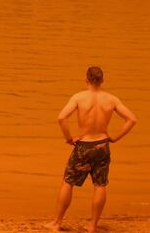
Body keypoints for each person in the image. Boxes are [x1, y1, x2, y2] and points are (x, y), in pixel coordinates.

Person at [44, 66, 137, 232]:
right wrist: (115, 137)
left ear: (86, 79)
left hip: (84, 145)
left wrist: (69, 138)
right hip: (102, 145)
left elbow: (61, 117)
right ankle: (93, 225)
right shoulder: (111, 99)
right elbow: (131, 119)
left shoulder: (79, 97)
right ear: (102, 80)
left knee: (68, 182)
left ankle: (56, 223)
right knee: (100, 185)